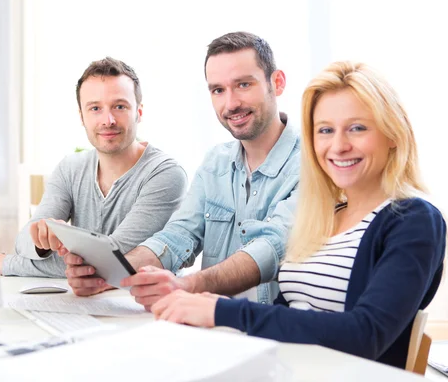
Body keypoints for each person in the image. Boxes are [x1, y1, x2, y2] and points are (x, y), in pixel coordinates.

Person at [151, 61, 446, 369]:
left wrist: (219, 310)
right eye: (325, 130)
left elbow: (365, 335)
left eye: (357, 128)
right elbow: (288, 312)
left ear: (393, 134)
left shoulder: (414, 220)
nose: (338, 145)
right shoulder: (323, 217)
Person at [62, 31, 300, 307]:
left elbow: (272, 248)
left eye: (244, 84)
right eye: (218, 90)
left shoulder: (312, 164)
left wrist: (187, 285)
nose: (231, 103)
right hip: (209, 325)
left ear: (277, 82)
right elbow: (178, 235)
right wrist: (113, 274)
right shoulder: (216, 163)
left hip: (272, 332)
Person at [0, 57, 187, 278]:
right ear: (82, 117)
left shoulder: (165, 174)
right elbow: (24, 242)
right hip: (80, 303)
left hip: (142, 307)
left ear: (139, 112)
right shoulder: (70, 169)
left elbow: (112, 261)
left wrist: (6, 264)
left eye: (119, 106)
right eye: (95, 108)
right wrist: (41, 240)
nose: (108, 120)